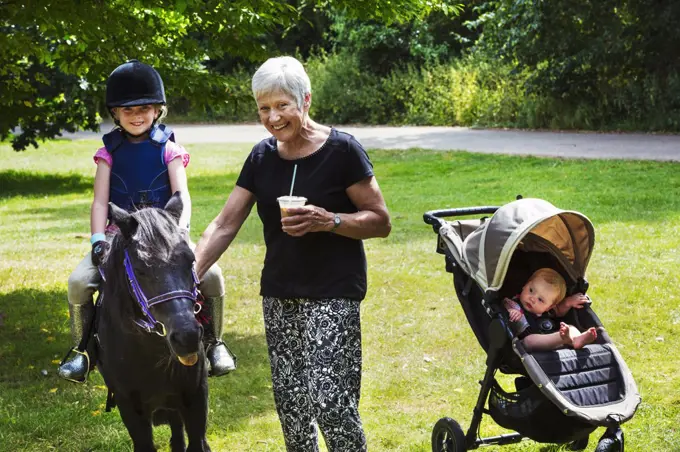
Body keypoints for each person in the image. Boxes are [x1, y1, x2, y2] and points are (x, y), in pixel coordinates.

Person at [194, 56, 391, 451]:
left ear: (306, 100)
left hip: (334, 290)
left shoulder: (342, 151)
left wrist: (329, 220)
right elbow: (225, 223)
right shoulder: (262, 157)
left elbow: (380, 221)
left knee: (330, 399)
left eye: (282, 105)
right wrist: (189, 273)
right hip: (280, 292)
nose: (273, 117)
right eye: (264, 108)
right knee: (293, 403)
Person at [58, 60, 236, 383]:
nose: (137, 115)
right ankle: (82, 350)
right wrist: (97, 240)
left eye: (144, 108)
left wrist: (179, 233)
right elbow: (100, 201)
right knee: (78, 283)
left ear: (158, 110)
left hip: (167, 234)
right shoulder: (107, 154)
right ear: (115, 113)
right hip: (118, 236)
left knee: (213, 277)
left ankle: (214, 343)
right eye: (128, 110)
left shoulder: (169, 150)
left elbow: (183, 195)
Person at [503, 268, 597, 352]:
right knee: (529, 340)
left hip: (552, 338)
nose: (532, 298)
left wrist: (568, 302)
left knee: (571, 327)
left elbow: (559, 310)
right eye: (531, 290)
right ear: (525, 285)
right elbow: (504, 305)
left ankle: (577, 339)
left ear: (549, 307)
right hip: (530, 343)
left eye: (540, 299)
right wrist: (511, 311)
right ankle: (563, 338)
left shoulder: (546, 311)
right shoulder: (514, 304)